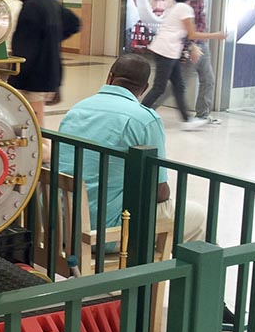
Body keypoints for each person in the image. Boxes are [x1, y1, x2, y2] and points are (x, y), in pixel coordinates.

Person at [57, 53, 205, 245]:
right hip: (107, 234)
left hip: (63, 228)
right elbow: (161, 192)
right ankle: (157, 272)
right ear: (144, 89)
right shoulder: (144, 120)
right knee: (197, 216)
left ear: (109, 77)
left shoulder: (76, 110)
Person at [140, 0, 226, 130]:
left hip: (168, 50)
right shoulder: (185, 9)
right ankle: (137, 115)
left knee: (178, 85)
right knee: (159, 87)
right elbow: (192, 34)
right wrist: (217, 35)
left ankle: (187, 120)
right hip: (166, 50)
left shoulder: (177, 6)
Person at [7, 0, 80, 128]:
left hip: (33, 77)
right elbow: (74, 23)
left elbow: (26, 48)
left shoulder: (31, 7)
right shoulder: (51, 4)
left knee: (35, 123)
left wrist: (16, 75)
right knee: (34, 120)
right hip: (48, 72)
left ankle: (43, 151)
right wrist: (53, 40)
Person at [188, 0, 221, 123]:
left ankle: (203, 114)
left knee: (207, 79)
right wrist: (192, 43)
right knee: (174, 84)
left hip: (198, 42)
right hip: (195, 42)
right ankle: (202, 114)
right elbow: (190, 20)